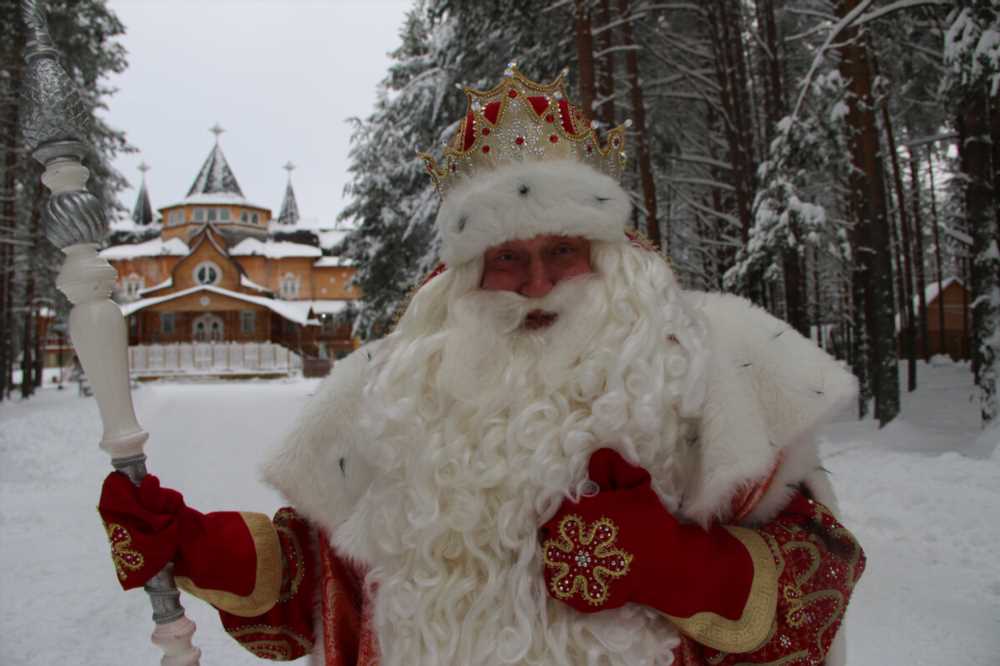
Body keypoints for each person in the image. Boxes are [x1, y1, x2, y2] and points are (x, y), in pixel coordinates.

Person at [99, 67, 865, 666]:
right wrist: (201, 547)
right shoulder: (397, 391)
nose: (535, 283)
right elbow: (320, 584)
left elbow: (824, 577)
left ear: (609, 254)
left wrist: (682, 567)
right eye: (507, 258)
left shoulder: (713, 370)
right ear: (465, 275)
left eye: (562, 249)